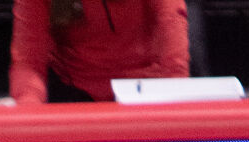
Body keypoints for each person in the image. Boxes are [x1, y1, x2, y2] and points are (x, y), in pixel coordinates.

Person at [10, 0, 190, 103]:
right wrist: (28, 118)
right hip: (75, 97)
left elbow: (174, 62)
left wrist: (171, 114)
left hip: (146, 93)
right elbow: (28, 64)